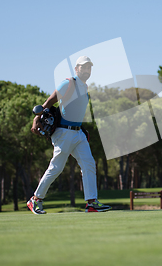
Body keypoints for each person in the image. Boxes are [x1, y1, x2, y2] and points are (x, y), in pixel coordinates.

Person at [28, 56, 111, 214]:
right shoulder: (68, 83)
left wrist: (82, 130)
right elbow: (50, 101)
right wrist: (36, 118)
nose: (86, 70)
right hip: (63, 133)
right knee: (56, 168)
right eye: (83, 67)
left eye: (89, 68)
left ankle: (91, 203)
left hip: (78, 133)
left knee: (89, 164)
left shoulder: (85, 87)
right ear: (76, 68)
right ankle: (35, 200)